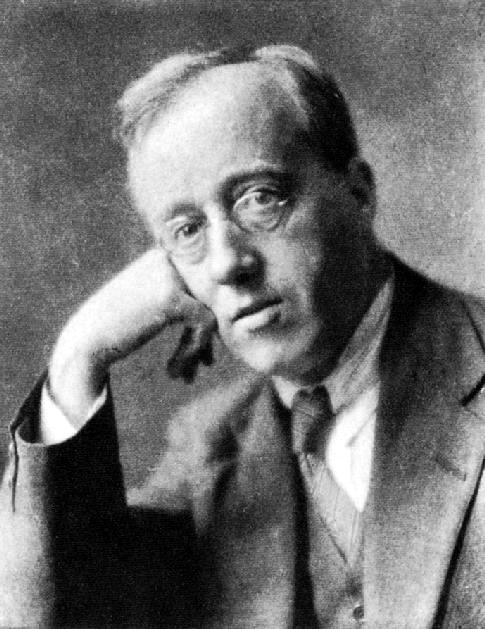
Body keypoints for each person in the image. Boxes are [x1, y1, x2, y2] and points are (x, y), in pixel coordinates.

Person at [1, 44, 485, 629]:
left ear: (358, 193)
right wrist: (79, 352)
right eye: (188, 231)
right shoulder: (209, 450)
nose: (227, 262)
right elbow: (61, 615)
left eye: (260, 198)